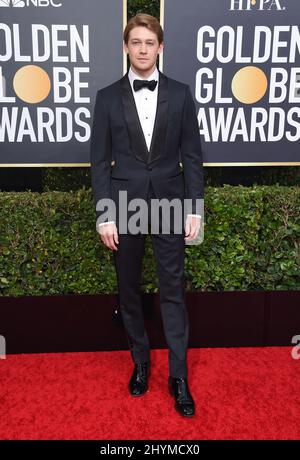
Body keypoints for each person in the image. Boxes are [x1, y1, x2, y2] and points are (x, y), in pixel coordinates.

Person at [90, 13, 204, 417]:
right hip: (124, 206)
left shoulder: (182, 93)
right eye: (135, 42)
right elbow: (100, 161)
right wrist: (105, 215)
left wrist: (194, 207)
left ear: (160, 47)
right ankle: (140, 362)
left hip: (171, 202)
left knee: (173, 290)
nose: (142, 49)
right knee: (129, 289)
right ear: (126, 47)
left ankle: (179, 376)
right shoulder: (106, 97)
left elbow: (192, 156)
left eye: (149, 42)